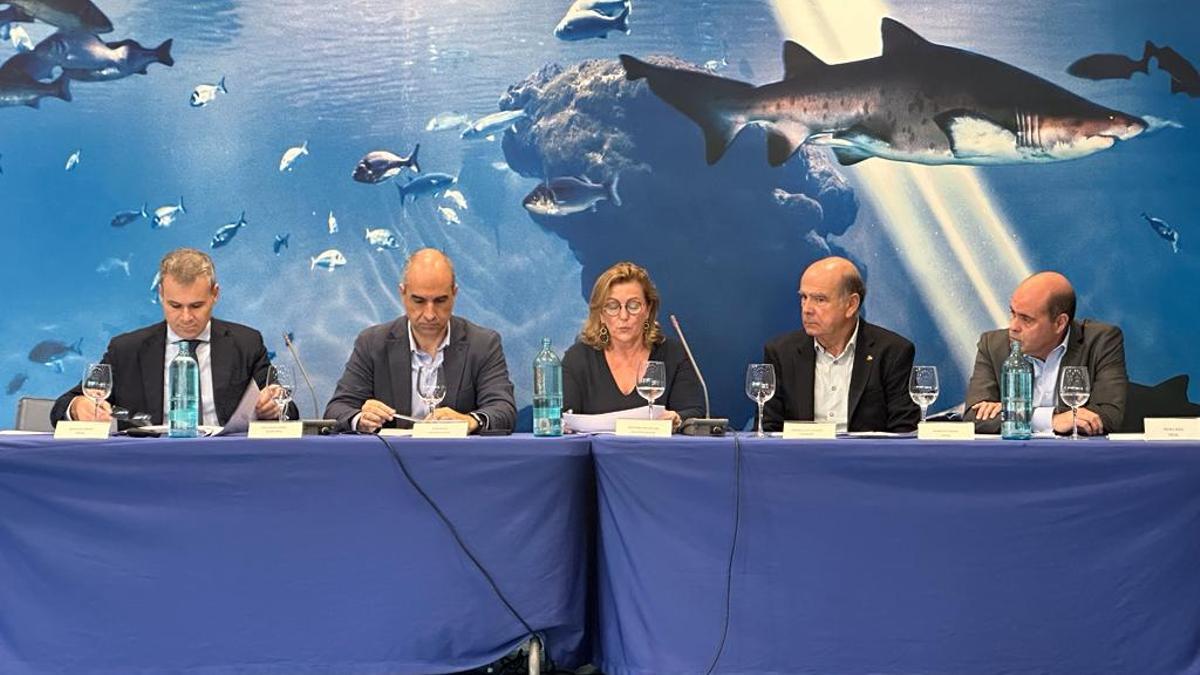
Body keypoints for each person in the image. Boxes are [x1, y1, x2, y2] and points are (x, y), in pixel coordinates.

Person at [50, 248, 290, 426]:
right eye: (175, 305)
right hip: (148, 465)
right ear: (161, 295)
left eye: (197, 305)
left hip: (227, 463)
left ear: (215, 294)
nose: (186, 317)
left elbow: (287, 408)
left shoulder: (245, 343)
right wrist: (79, 407)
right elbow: (63, 405)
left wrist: (273, 406)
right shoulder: (126, 350)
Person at [325, 248, 516, 433]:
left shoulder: (482, 344)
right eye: (419, 301)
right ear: (402, 293)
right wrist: (361, 419)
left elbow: (503, 409)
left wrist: (471, 421)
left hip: (459, 460)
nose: (430, 314)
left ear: (454, 294)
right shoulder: (372, 343)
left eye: (440, 301)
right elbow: (337, 409)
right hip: (391, 461)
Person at [762, 256, 920, 433]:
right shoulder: (782, 352)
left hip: (865, 459)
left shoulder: (892, 352)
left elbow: (904, 431)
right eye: (804, 297)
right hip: (802, 458)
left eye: (820, 299)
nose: (807, 309)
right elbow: (767, 431)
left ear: (851, 305)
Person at [965, 271, 1127, 435]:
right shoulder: (993, 345)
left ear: (1059, 323)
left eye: (1026, 319)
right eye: (1013, 313)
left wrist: (1010, 412)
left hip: (1074, 456)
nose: (1013, 326)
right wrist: (1050, 420)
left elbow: (1109, 415)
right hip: (1012, 455)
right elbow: (974, 417)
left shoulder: (1100, 342)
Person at [562, 261, 704, 431]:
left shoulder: (672, 354)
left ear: (648, 310)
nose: (623, 315)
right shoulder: (579, 358)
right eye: (612, 306)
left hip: (659, 455)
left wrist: (678, 418)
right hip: (596, 457)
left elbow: (695, 412)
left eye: (633, 306)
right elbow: (562, 416)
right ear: (600, 314)